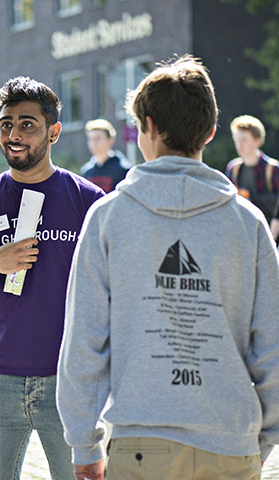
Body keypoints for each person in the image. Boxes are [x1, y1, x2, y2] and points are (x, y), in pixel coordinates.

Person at [57, 55, 279, 480]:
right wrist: (264, 437)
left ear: (149, 128)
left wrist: (84, 443)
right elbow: (272, 343)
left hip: (141, 444)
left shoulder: (108, 218)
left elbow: (84, 342)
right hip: (231, 444)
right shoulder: (248, 224)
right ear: (212, 132)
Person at [0, 76, 104, 479]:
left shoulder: (90, 204)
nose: (13, 134)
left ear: (54, 131)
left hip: (69, 384)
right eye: (5, 124)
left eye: (27, 124)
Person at [225, 115, 279, 229]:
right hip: (243, 232)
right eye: (237, 139)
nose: (239, 144)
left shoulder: (273, 169)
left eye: (244, 140)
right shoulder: (233, 168)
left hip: (269, 232)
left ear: (258, 141)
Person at [80, 118, 130, 193]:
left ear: (110, 140)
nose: (93, 143)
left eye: (97, 138)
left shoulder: (123, 170)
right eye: (90, 139)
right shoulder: (86, 172)